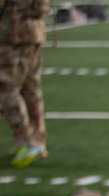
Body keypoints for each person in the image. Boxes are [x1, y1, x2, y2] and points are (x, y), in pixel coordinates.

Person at [1, 0, 49, 167]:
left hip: (12, 36)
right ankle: (37, 140)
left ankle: (27, 141)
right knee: (30, 89)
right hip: (33, 32)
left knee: (6, 90)